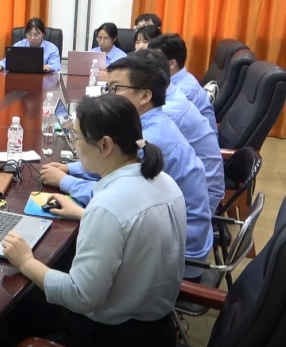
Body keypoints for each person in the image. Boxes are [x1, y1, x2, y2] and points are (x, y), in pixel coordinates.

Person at [2, 94, 184, 347]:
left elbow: (80, 296)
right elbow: (134, 231)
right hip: (157, 329)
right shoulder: (166, 182)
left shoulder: (107, 208)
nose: (74, 147)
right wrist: (83, 214)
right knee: (26, 313)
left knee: (11, 326)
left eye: (76, 138)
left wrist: (26, 262)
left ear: (105, 145)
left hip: (113, 336)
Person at [41, 50, 213, 281]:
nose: (109, 95)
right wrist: (72, 168)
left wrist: (65, 181)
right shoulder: (150, 123)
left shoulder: (152, 139)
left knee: (61, 255)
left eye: (115, 89)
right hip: (166, 234)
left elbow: (115, 195)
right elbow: (115, 169)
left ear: (145, 96)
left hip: (177, 256)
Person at [145, 49, 225, 214]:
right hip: (194, 188)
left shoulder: (168, 113)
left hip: (201, 199)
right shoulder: (171, 92)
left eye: (117, 88)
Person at [148, 33, 218, 134]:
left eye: (154, 60)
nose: (149, 64)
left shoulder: (184, 91)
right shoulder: (178, 79)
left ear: (172, 64)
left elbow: (158, 123)